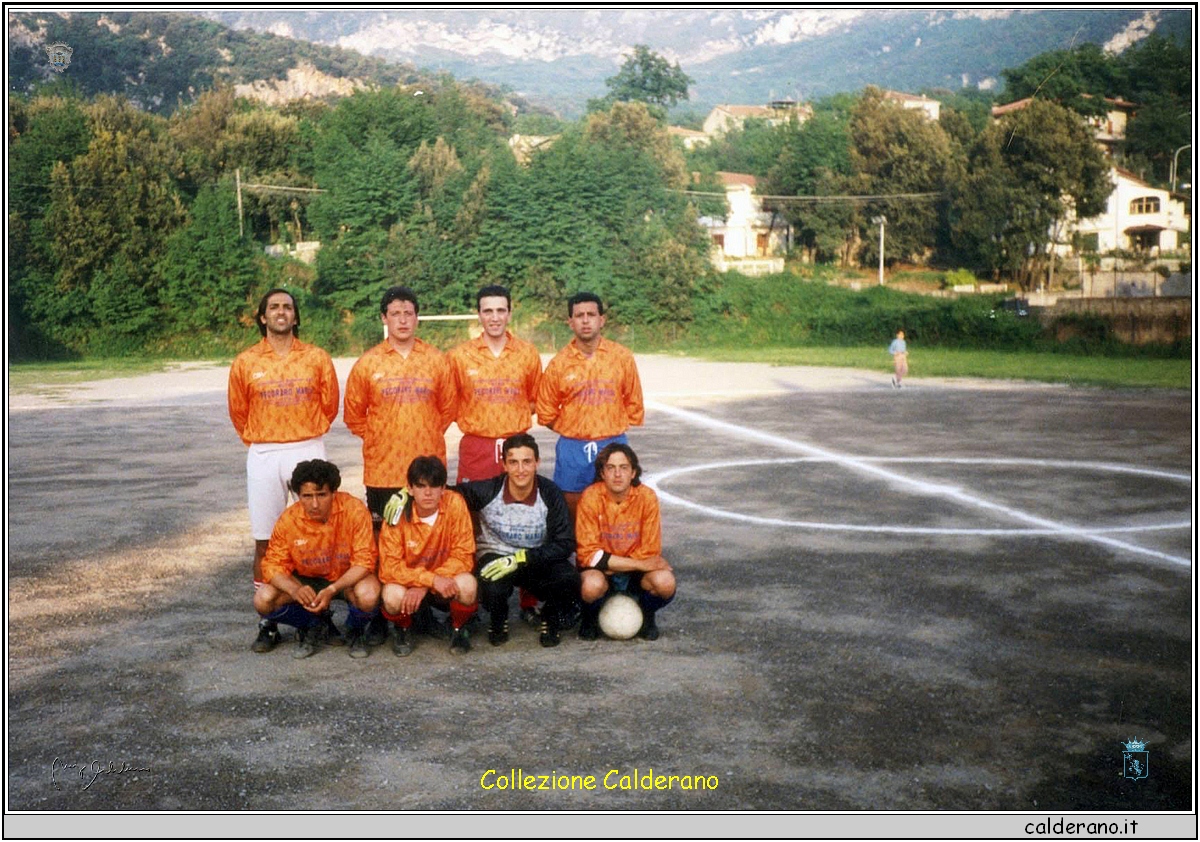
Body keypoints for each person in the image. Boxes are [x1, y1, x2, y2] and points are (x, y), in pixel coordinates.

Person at [228, 287, 340, 654]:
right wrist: (265, 440)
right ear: (262, 317)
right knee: (265, 540)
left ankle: (317, 616)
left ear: (295, 316)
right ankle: (270, 621)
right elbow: (238, 412)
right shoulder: (245, 361)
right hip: (264, 452)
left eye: (287, 307)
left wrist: (302, 435)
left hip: (306, 446)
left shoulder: (316, 357)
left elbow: (330, 405)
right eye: (273, 307)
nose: (280, 312)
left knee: (317, 533)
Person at [447, 284, 544, 625]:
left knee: (527, 519)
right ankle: (473, 596)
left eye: (500, 310)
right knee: (471, 519)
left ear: (510, 313)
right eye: (487, 311)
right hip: (476, 444)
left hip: (516, 443)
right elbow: (450, 399)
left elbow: (535, 398)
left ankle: (529, 598)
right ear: (478, 315)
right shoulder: (459, 356)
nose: (494, 317)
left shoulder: (527, 353)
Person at [343, 285, 457, 530]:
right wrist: (381, 436)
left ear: (417, 317)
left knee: (428, 536)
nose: (402, 320)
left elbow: (448, 409)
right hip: (383, 470)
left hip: (428, 469)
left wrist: (423, 432)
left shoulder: (437, 360)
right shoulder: (368, 363)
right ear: (384, 318)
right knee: (383, 538)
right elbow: (353, 415)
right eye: (395, 314)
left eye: (408, 313)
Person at [455, 433, 579, 648]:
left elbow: (565, 543)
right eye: (513, 462)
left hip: (534, 558)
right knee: (489, 583)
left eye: (527, 462)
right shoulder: (488, 490)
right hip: (498, 556)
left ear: (537, 463)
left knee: (568, 579)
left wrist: (523, 557)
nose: (520, 470)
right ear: (504, 465)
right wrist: (406, 493)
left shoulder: (550, 493)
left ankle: (550, 616)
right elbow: (445, 494)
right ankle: (498, 618)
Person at [253, 460, 381, 659]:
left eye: (321, 495)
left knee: (369, 594)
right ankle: (313, 623)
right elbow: (271, 565)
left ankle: (354, 629)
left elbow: (365, 561)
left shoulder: (354, 510)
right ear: (298, 495)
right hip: (306, 581)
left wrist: (333, 589)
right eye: (307, 496)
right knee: (263, 599)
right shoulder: (289, 520)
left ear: (333, 493)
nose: (314, 504)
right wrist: (295, 590)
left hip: (345, 579)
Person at [536, 292, 644, 519]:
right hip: (573, 447)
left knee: (616, 506)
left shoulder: (622, 357)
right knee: (572, 507)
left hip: (612, 442)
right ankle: (578, 553)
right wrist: (573, 428)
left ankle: (614, 553)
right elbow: (545, 412)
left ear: (602, 319)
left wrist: (606, 426)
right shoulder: (559, 363)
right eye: (579, 315)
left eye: (591, 315)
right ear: (570, 322)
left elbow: (633, 404)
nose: (586, 321)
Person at [377, 456, 477, 656]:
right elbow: (389, 567)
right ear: (410, 489)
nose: (428, 493)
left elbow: (464, 554)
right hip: (410, 581)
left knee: (468, 584)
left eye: (434, 485)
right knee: (391, 595)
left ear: (443, 488)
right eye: (421, 486)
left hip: (442, 580)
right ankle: (403, 630)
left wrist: (426, 584)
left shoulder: (455, 503)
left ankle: (458, 628)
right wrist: (429, 580)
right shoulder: (396, 513)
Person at [575, 443, 675, 641]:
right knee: (590, 586)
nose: (617, 474)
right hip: (604, 571)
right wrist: (636, 564)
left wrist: (614, 564)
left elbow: (650, 549)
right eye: (611, 468)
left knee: (665, 583)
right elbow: (588, 554)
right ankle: (590, 616)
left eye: (623, 467)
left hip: (629, 571)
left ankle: (647, 615)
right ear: (602, 473)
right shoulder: (591, 497)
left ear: (633, 472)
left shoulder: (646, 497)